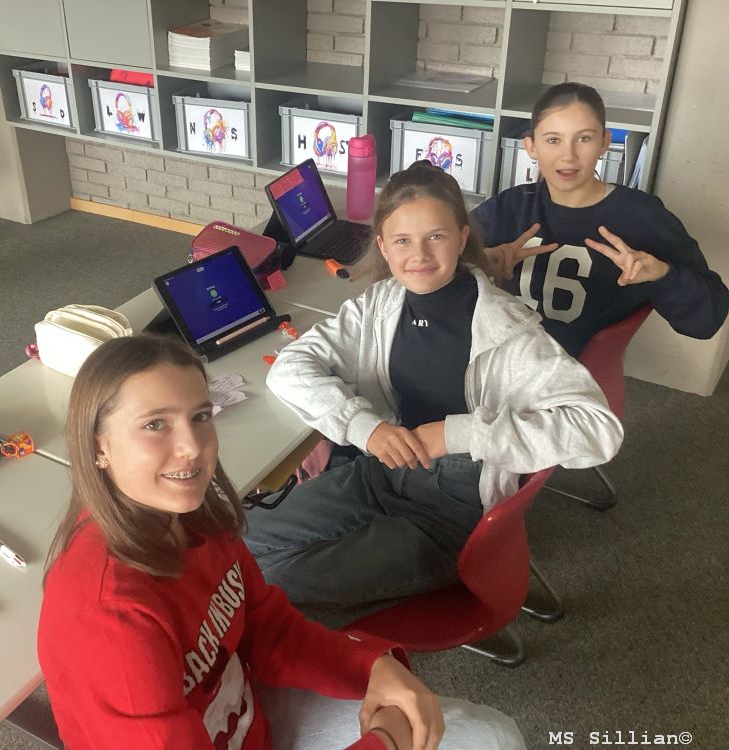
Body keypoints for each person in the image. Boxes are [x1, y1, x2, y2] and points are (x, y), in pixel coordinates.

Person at [37, 334, 527, 750]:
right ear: (98, 446)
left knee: (492, 735)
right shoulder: (110, 620)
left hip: (244, 716)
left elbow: (266, 625)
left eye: (200, 417)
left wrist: (370, 666)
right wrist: (385, 742)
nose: (192, 447)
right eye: (155, 424)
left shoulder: (194, 516)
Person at [243, 161, 623, 629]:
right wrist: (365, 427)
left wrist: (456, 433)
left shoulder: (508, 331)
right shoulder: (380, 304)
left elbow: (597, 429)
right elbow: (290, 366)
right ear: (383, 246)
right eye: (402, 240)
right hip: (382, 471)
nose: (419, 255)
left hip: (451, 510)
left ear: (462, 238)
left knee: (275, 590)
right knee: (237, 550)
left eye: (436, 237)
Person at [472, 81, 729, 357]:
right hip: (498, 356)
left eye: (584, 138)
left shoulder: (642, 216)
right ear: (531, 147)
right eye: (553, 140)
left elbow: (707, 320)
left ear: (604, 142)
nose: (568, 156)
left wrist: (663, 275)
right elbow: (447, 267)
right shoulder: (510, 206)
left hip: (575, 373)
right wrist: (482, 262)